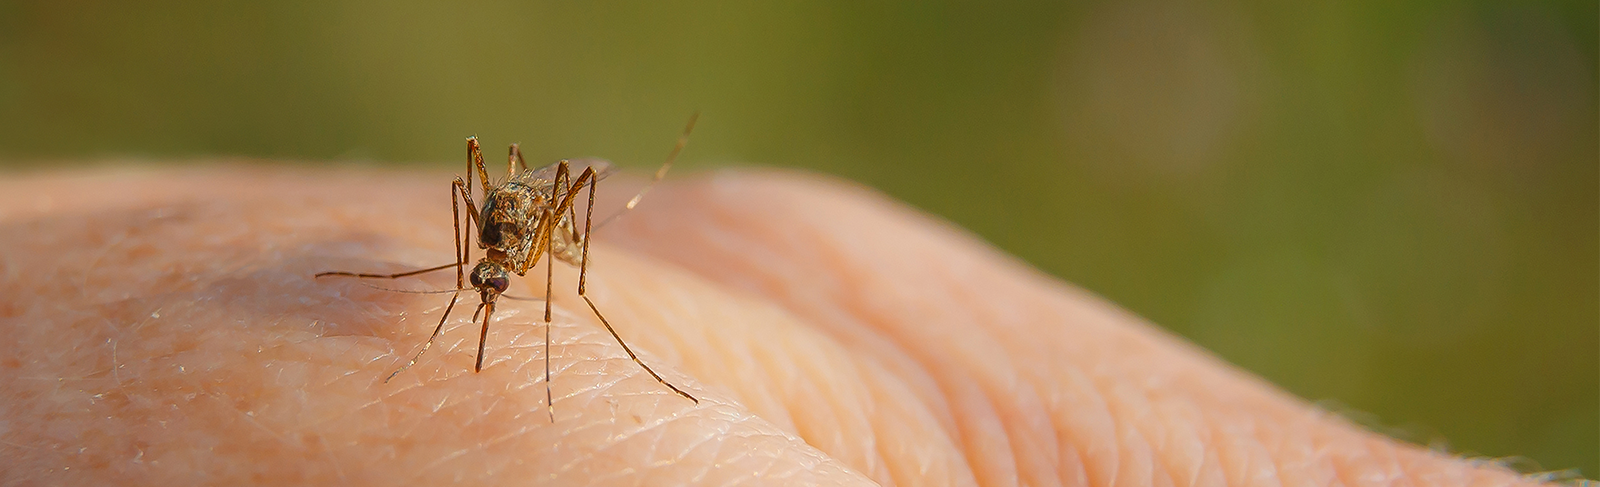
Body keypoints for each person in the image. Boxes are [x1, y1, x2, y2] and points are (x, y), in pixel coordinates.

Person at [0, 167, 1548, 486]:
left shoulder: (535, 233)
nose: (483, 285)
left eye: (488, 264)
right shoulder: (474, 245)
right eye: (485, 265)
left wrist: (565, 279)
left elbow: (543, 211)